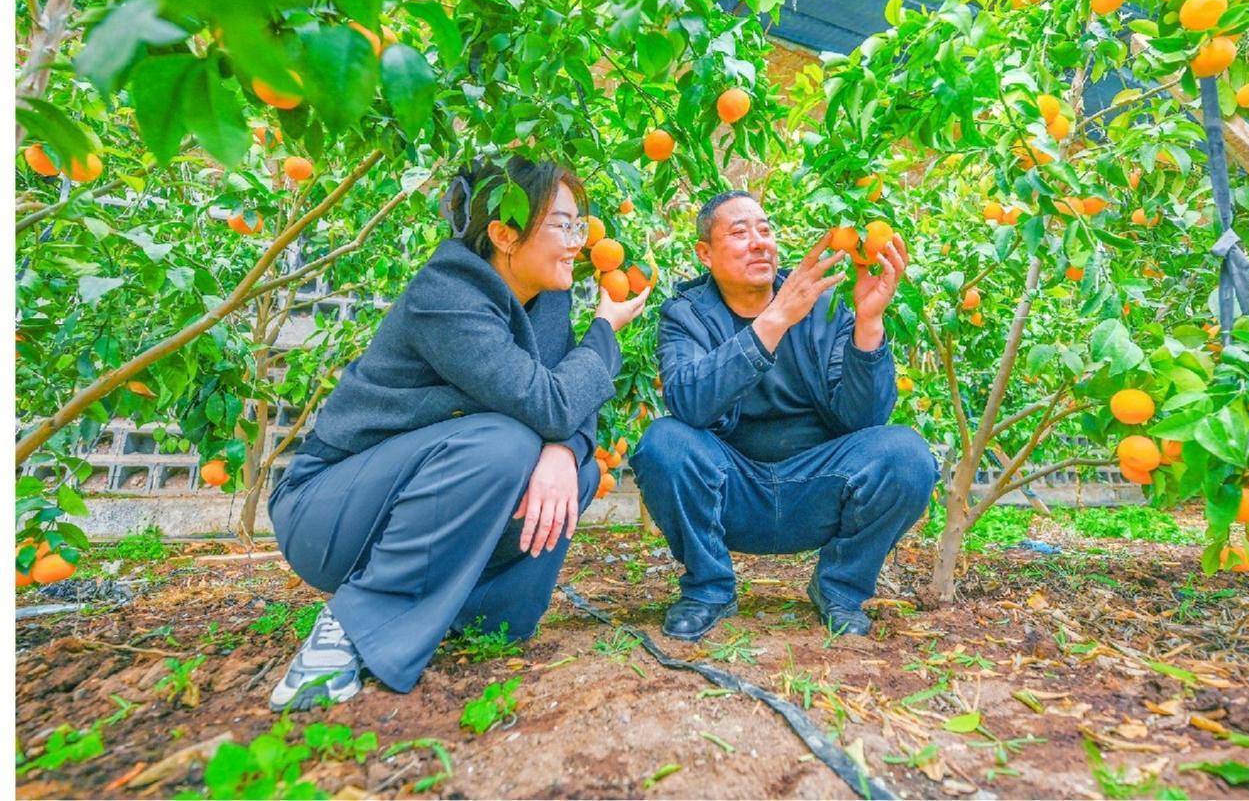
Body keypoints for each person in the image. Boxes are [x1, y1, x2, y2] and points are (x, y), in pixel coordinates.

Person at [266, 156, 649, 710]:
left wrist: (565, 452)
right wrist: (605, 331)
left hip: (411, 498)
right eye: (563, 225)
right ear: (504, 235)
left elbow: (568, 405)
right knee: (505, 444)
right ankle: (349, 626)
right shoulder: (447, 293)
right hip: (329, 513)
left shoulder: (547, 300)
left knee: (576, 469)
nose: (578, 243)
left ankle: (478, 614)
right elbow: (552, 401)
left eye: (580, 226)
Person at [632, 191, 937, 641]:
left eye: (765, 229)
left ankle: (840, 588)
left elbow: (865, 419)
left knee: (907, 455)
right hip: (731, 488)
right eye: (739, 232)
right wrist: (774, 321)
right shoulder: (685, 315)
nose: (759, 242)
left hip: (818, 486)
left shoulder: (823, 305)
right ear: (705, 254)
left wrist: (869, 322)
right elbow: (688, 402)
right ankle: (708, 589)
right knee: (664, 443)